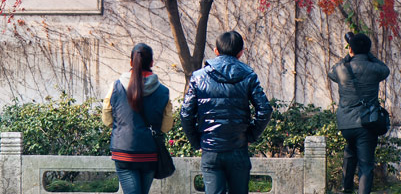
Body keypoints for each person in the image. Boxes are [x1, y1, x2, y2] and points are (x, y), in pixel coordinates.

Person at [180, 31, 272, 194]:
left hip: (211, 149)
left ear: (216, 50)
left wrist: (197, 142)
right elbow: (264, 110)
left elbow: (186, 114)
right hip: (238, 148)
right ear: (241, 52)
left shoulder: (198, 77)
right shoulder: (248, 76)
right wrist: (250, 136)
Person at [101, 43, 174, 194]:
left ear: (131, 62)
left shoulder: (116, 86)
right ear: (152, 63)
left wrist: (122, 127)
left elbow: (107, 118)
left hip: (123, 151)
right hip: (149, 152)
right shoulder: (163, 91)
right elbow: (166, 126)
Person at [328, 32, 390, 194]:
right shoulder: (375, 68)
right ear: (368, 49)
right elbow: (385, 70)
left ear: (351, 49)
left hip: (346, 124)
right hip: (366, 123)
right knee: (365, 165)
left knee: (350, 151)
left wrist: (349, 57)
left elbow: (331, 72)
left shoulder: (342, 68)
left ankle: (346, 188)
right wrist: (367, 54)